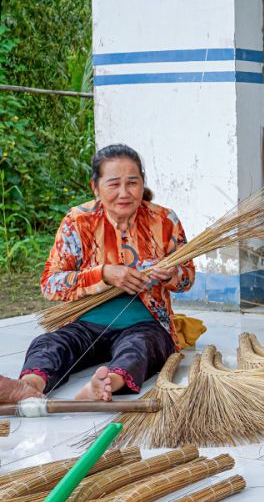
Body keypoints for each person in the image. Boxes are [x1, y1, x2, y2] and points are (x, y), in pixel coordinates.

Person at [0, 144, 195, 404]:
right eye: (114, 184)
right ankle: (29, 387)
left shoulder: (164, 220)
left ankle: (104, 385)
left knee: (140, 349)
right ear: (96, 186)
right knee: (50, 345)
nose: (124, 193)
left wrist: (171, 274)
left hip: (144, 324)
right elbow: (51, 284)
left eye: (132, 183)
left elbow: (187, 279)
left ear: (142, 184)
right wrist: (103, 274)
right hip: (84, 324)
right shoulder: (78, 221)